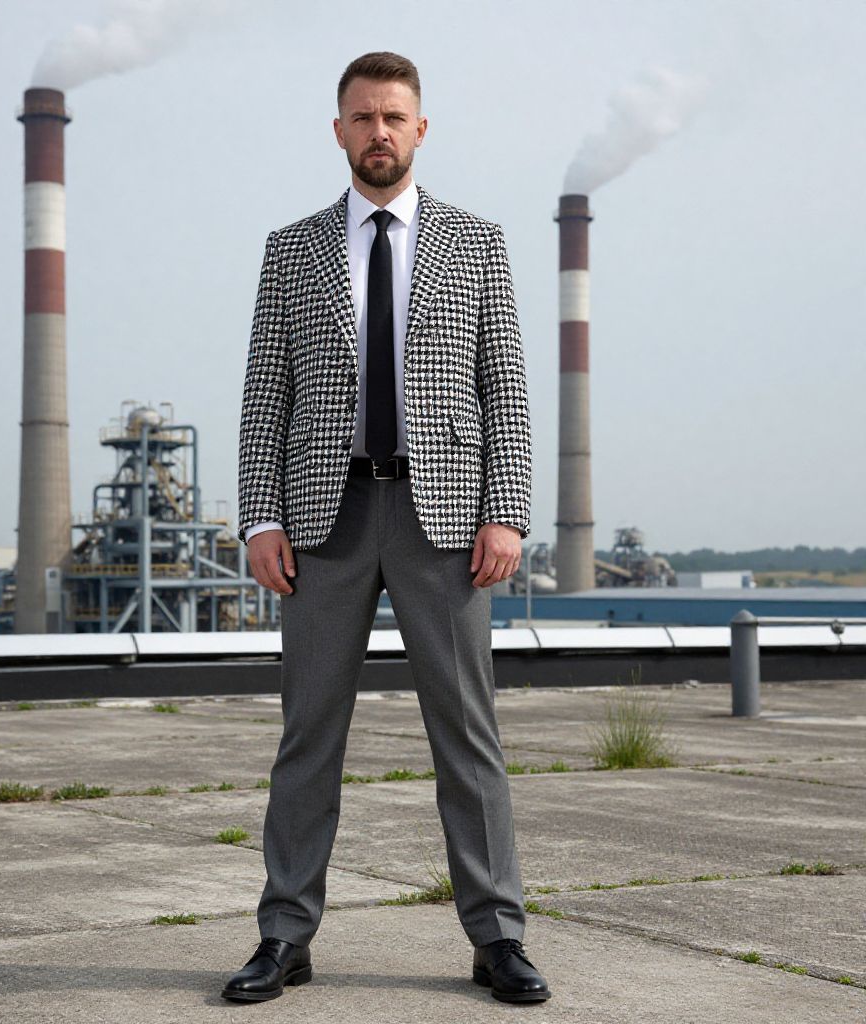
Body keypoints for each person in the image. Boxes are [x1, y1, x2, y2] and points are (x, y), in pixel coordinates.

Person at [225, 51, 550, 1005]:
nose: (379, 132)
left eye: (394, 117)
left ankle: (498, 937)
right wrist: (260, 515)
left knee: (468, 736)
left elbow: (506, 389)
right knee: (307, 736)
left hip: (441, 519)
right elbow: (265, 392)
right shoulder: (291, 249)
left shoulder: (476, 243)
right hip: (321, 521)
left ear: (420, 129)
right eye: (363, 117)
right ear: (339, 130)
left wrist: (506, 510)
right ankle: (285, 935)